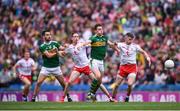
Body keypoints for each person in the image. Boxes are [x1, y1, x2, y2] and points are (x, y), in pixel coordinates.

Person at [60, 33, 116, 102]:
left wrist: (99, 43)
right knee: (69, 82)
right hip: (78, 68)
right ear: (72, 38)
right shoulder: (70, 47)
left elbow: (91, 44)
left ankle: (110, 98)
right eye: (74, 36)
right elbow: (63, 54)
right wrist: (57, 51)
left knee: (98, 82)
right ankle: (63, 98)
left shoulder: (82, 44)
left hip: (86, 66)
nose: (76, 38)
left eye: (77, 36)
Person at [80, 24, 119, 101]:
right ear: (95, 31)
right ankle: (90, 93)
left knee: (100, 81)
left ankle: (93, 93)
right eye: (98, 29)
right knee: (97, 76)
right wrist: (82, 44)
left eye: (101, 29)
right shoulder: (93, 38)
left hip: (101, 61)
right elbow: (88, 42)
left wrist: (116, 48)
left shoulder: (105, 38)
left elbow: (110, 44)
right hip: (93, 60)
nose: (100, 30)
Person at [31, 29, 72, 102]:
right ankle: (34, 98)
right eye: (47, 35)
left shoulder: (55, 43)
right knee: (38, 82)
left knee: (63, 84)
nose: (49, 36)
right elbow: (49, 56)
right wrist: (57, 52)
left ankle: (68, 96)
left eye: (49, 35)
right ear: (43, 36)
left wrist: (65, 46)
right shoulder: (42, 46)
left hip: (56, 67)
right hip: (46, 68)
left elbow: (62, 48)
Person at [112, 33, 151, 102]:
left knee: (130, 84)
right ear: (126, 38)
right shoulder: (121, 44)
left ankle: (127, 97)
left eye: (132, 39)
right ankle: (112, 98)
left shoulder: (135, 46)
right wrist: (116, 49)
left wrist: (148, 58)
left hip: (132, 68)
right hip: (123, 67)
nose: (131, 41)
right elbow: (112, 45)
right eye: (129, 39)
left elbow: (143, 52)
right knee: (116, 85)